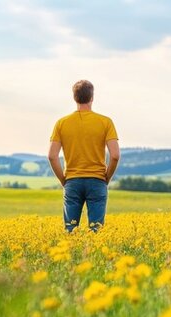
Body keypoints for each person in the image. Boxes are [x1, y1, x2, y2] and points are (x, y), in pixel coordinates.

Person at [47, 80, 120, 232]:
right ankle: (93, 255)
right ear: (92, 97)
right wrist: (107, 177)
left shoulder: (62, 123)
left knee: (70, 231)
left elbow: (52, 156)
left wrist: (64, 180)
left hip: (72, 181)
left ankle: (70, 256)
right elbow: (115, 156)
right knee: (96, 231)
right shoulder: (105, 122)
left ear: (74, 98)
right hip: (97, 181)